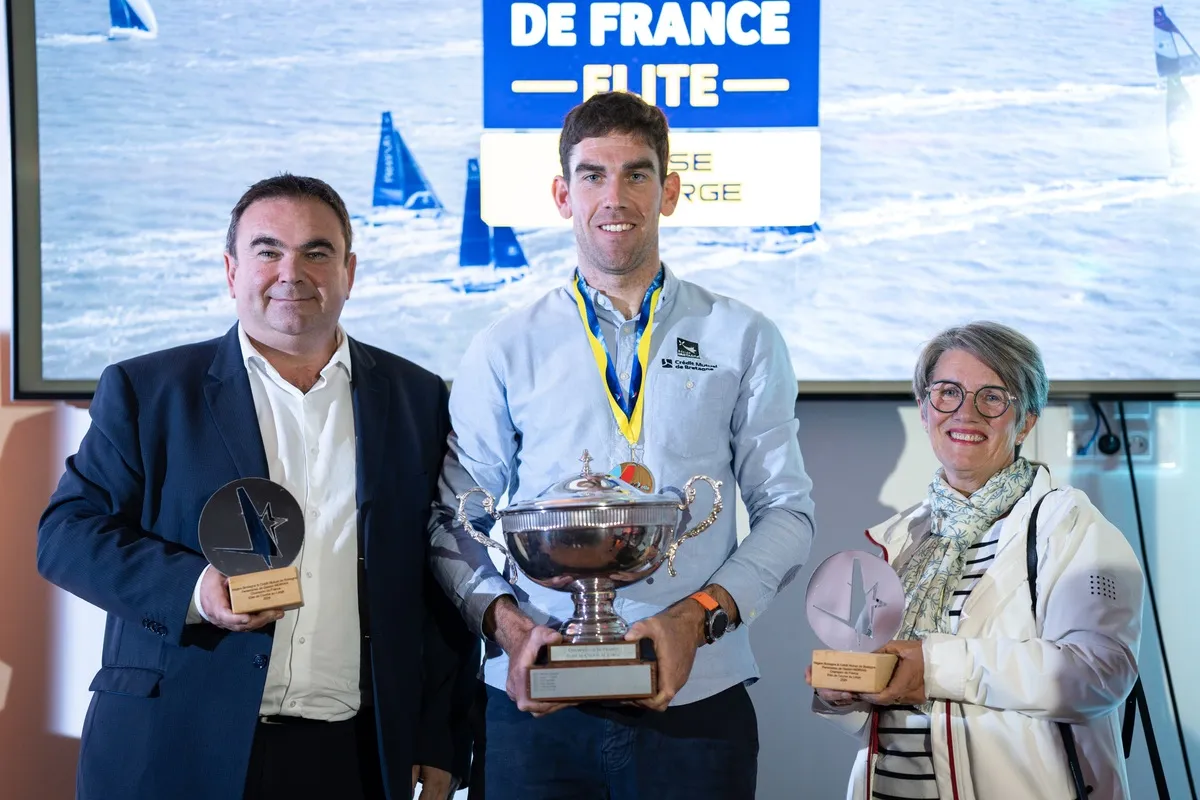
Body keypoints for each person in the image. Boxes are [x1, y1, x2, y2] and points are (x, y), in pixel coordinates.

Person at [37, 174, 478, 800]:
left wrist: (438, 736)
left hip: (353, 755)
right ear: (231, 270)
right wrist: (196, 590)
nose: (291, 273)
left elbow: (438, 573)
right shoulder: (148, 391)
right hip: (174, 744)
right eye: (268, 251)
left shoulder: (419, 397)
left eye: (317, 252)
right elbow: (65, 536)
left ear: (349, 271)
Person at [429, 90, 816, 799]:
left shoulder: (744, 336)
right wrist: (511, 630)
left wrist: (696, 619)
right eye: (593, 175)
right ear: (562, 194)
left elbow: (788, 513)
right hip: (536, 702)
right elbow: (457, 520)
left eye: (637, 174)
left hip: (698, 695)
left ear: (669, 192)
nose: (615, 197)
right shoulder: (503, 346)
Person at [807, 321, 1144, 800]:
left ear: (1025, 421)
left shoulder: (1069, 525)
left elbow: (1100, 673)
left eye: (992, 397)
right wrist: (844, 692)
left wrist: (934, 666)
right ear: (924, 409)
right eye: (948, 393)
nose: (966, 413)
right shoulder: (906, 540)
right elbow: (887, 708)